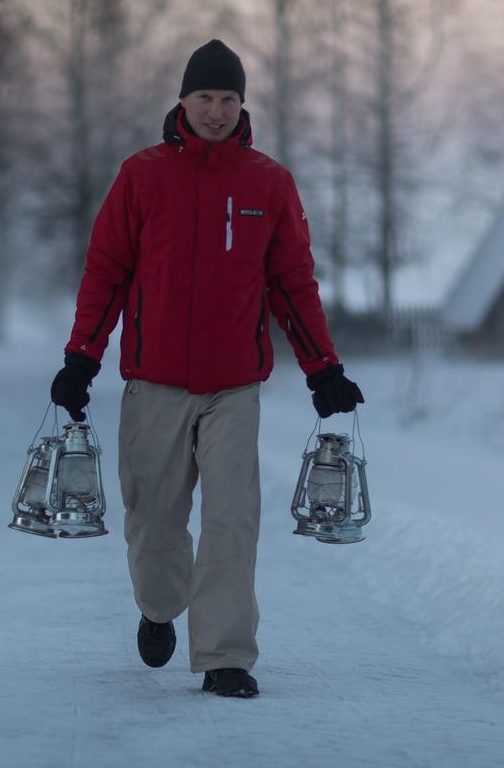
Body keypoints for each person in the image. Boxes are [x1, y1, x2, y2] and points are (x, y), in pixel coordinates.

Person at [50, 39, 363, 699]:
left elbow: (292, 283)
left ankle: (225, 655)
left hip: (233, 387)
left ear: (242, 104)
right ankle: (160, 607)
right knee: (155, 519)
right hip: (154, 380)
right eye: (204, 97)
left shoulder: (267, 183)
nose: (216, 110)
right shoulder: (142, 176)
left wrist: (322, 368)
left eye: (228, 98)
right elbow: (106, 271)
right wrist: (82, 357)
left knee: (230, 517)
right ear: (182, 101)